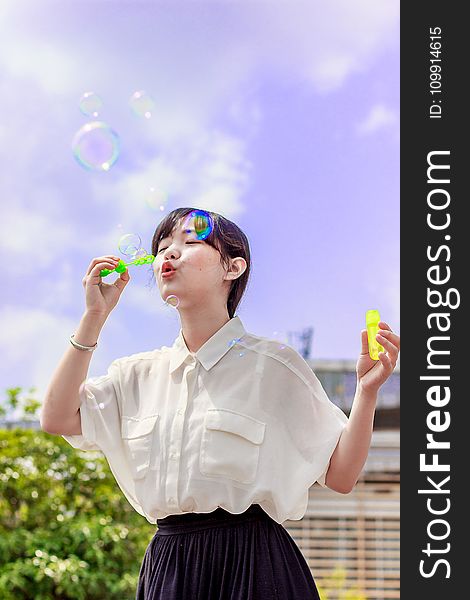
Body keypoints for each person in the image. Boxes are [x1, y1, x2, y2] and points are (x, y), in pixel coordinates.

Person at [40, 207, 400, 600]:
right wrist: (95, 316)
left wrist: (366, 392)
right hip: (170, 568)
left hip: (255, 565)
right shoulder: (136, 374)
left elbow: (341, 475)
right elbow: (57, 418)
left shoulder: (275, 366)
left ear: (233, 267)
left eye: (190, 243)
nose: (169, 254)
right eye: (162, 247)